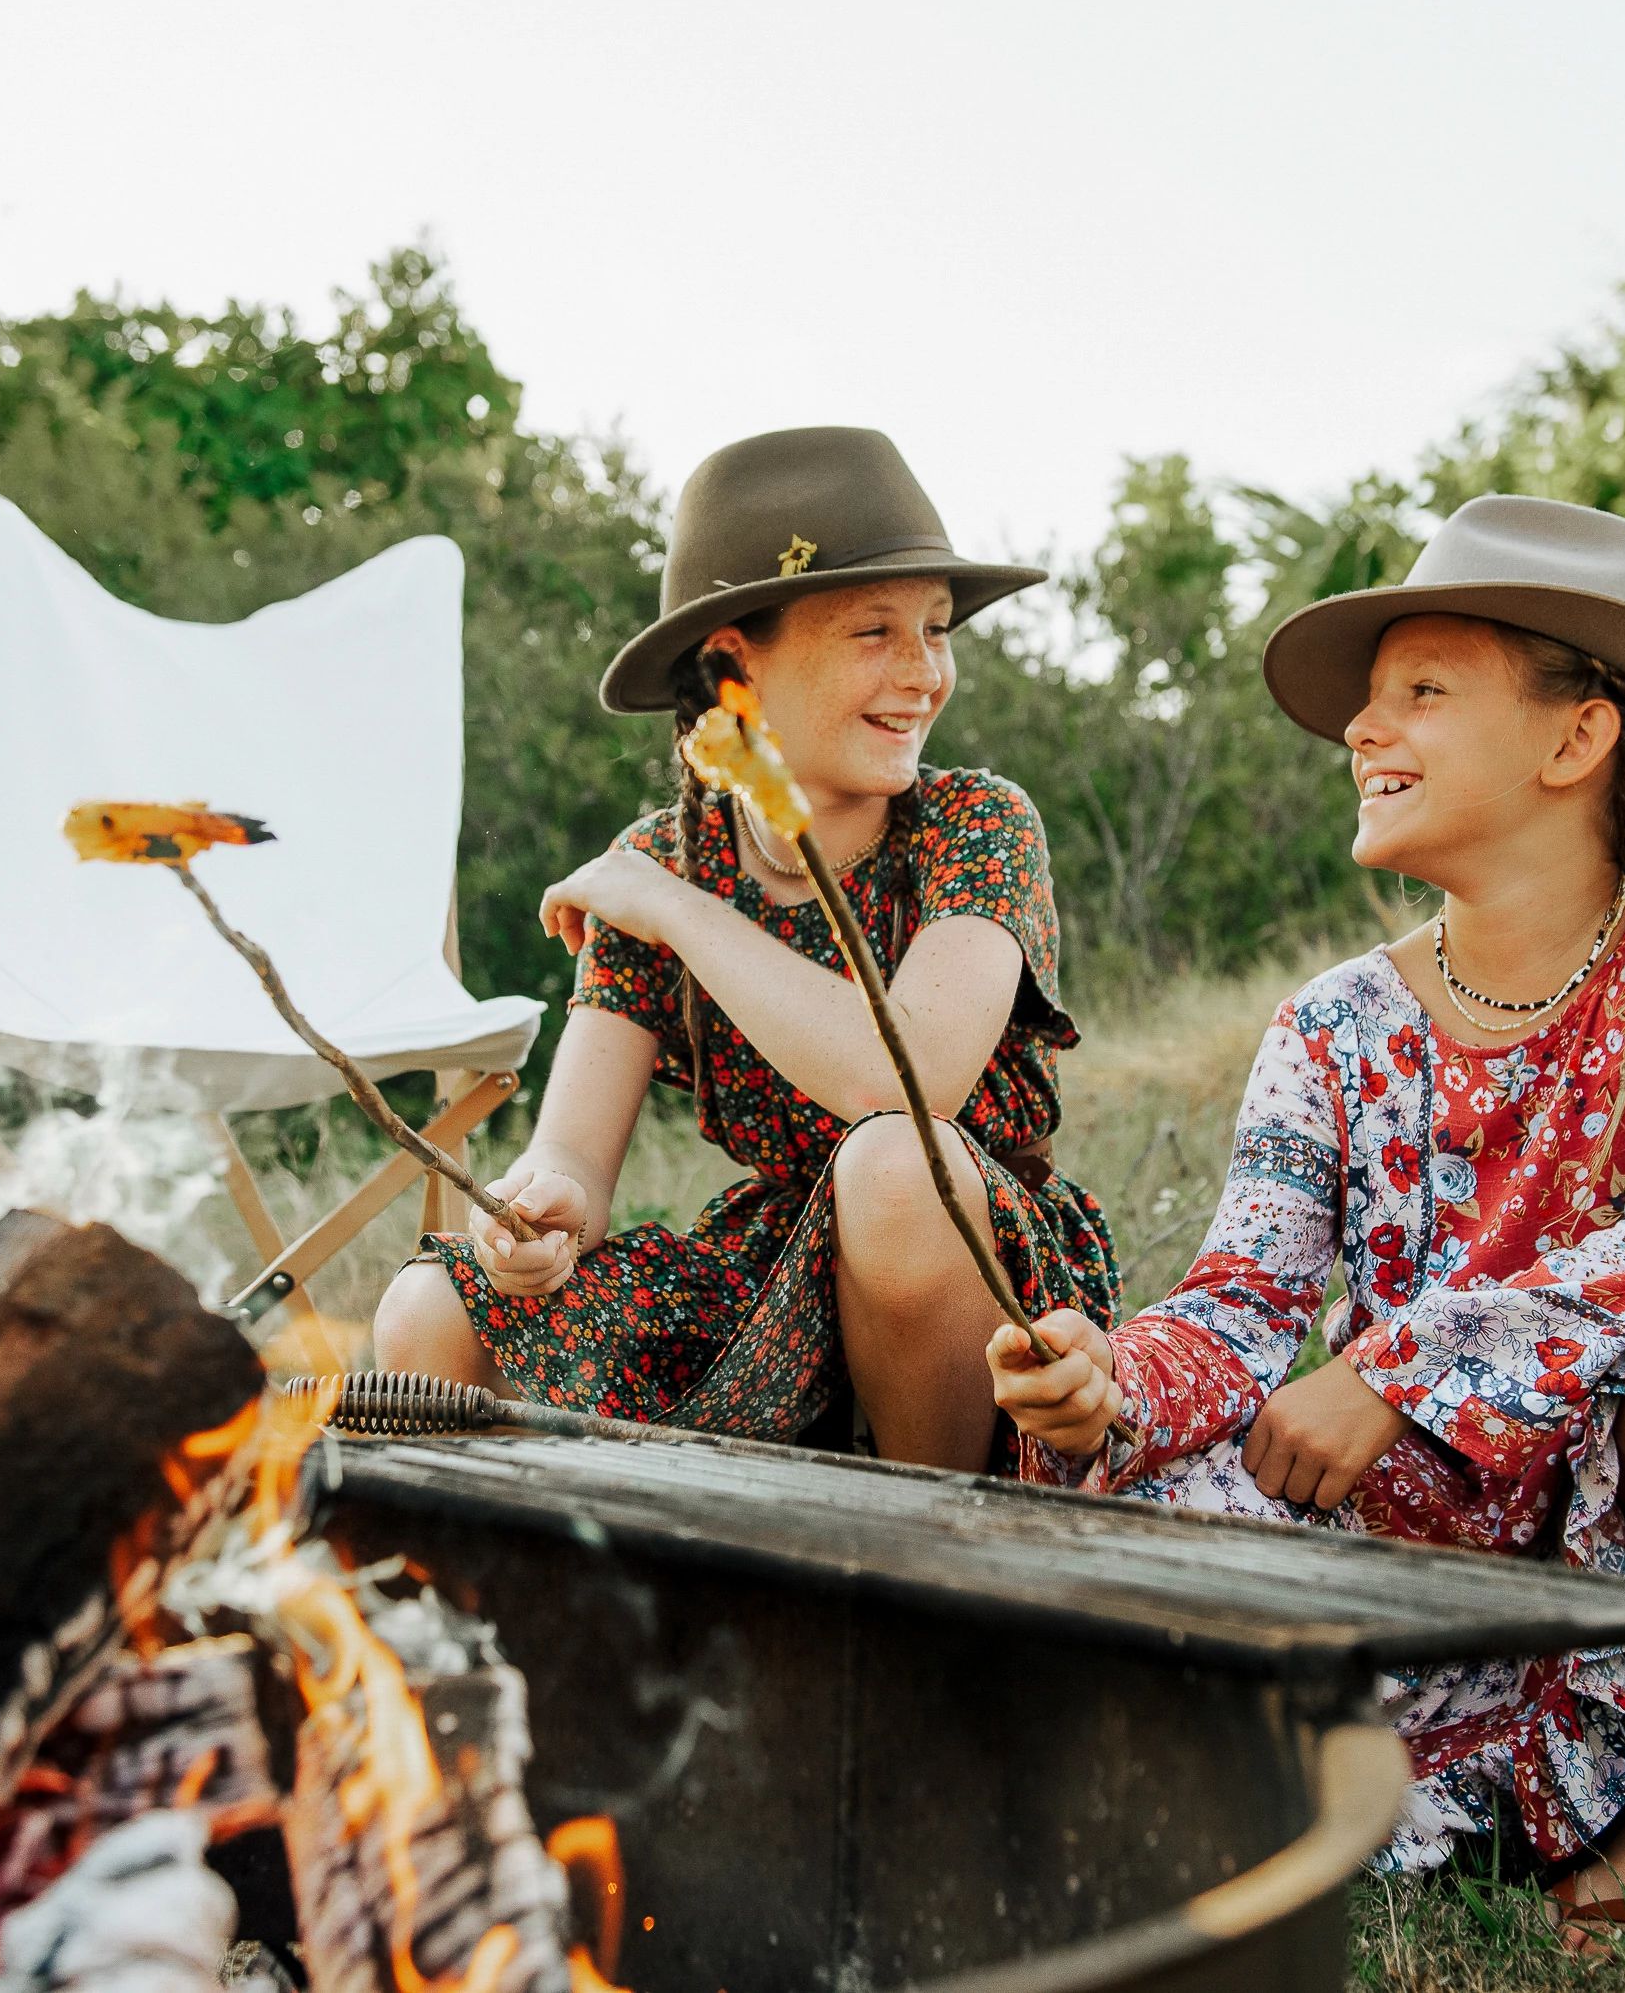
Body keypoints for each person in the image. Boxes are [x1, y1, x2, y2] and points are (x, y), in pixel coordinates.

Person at [988, 496, 1625, 1946]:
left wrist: (1409, 1365)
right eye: (1369, 700)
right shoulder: (1335, 1021)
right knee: (1117, 1536)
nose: (1363, 727)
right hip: (1408, 1531)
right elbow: (1242, 1306)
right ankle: (1414, 1775)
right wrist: (1112, 1377)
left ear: (1573, 738)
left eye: (1422, 688)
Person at [376, 428, 1118, 1470]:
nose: (924, 673)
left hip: (971, 1273)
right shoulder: (663, 858)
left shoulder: (973, 824)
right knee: (431, 1307)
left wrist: (677, 911)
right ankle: (530, 1608)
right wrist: (537, 1211)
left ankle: (940, 1577)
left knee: (894, 1164)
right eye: (875, 631)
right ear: (733, 663)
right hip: (763, 1282)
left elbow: (913, 1080)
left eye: (937, 629)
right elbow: (573, 1154)